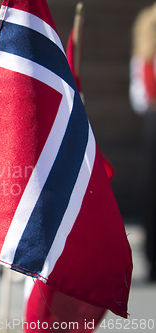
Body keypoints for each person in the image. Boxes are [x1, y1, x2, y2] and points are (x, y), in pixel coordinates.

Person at [130, 3, 156, 282]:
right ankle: (152, 259)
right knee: (152, 192)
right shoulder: (145, 58)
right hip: (154, 119)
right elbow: (139, 98)